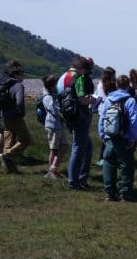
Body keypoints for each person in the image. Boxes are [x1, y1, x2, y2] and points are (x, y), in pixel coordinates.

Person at [98, 75, 137, 202]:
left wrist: (103, 135)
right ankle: (124, 193)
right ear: (128, 85)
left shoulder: (109, 99)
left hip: (110, 137)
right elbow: (134, 121)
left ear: (116, 85)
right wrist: (133, 138)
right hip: (124, 138)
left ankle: (109, 193)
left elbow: (102, 118)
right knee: (126, 164)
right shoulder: (130, 100)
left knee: (109, 163)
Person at [58, 56, 96, 190]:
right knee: (78, 147)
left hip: (73, 115)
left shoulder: (69, 77)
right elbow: (81, 99)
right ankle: (74, 181)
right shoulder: (79, 78)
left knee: (87, 146)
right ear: (82, 68)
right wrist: (92, 100)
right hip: (80, 116)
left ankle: (81, 178)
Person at [0, 60, 31, 173]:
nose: (24, 77)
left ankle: (10, 169)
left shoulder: (4, 84)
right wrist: (22, 113)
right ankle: (7, 155)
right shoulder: (18, 86)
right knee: (26, 140)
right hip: (15, 117)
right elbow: (20, 102)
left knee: (9, 142)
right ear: (16, 75)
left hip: (4, 116)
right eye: (22, 74)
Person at [41, 74, 68, 178]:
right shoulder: (48, 97)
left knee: (64, 146)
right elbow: (54, 110)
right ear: (53, 85)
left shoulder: (52, 95)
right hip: (53, 125)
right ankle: (51, 170)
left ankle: (53, 167)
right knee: (54, 149)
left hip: (58, 125)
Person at [94, 67, 116, 167]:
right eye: (113, 75)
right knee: (108, 136)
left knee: (108, 136)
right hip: (105, 112)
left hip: (107, 111)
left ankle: (105, 157)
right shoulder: (101, 85)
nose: (114, 77)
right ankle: (103, 158)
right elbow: (104, 98)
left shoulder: (106, 85)